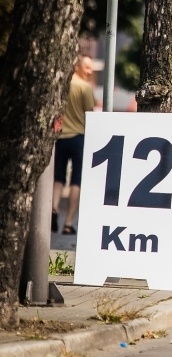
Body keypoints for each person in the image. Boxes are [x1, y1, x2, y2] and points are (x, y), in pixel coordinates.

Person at [52, 53, 95, 235]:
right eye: (87, 67)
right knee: (76, 181)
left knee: (58, 177)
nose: (90, 71)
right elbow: (90, 113)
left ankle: (53, 208)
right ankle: (68, 223)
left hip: (61, 137)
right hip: (79, 138)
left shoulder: (63, 85)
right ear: (77, 67)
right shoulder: (84, 87)